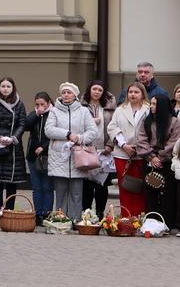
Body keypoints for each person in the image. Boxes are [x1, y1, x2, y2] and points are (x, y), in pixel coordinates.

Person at [43, 81, 98, 219]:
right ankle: (60, 219)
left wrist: (78, 138)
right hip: (59, 156)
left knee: (76, 192)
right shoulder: (54, 111)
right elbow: (48, 130)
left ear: (75, 95)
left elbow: (93, 131)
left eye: (69, 92)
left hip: (77, 156)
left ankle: (75, 219)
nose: (66, 95)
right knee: (60, 192)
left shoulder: (83, 111)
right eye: (64, 92)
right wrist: (67, 134)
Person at [134, 93, 180, 227]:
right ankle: (151, 222)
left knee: (168, 194)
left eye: (155, 104)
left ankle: (167, 223)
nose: (152, 106)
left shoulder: (174, 121)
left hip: (167, 163)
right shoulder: (146, 121)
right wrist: (152, 157)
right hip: (149, 161)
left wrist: (160, 157)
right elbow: (141, 140)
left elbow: (174, 142)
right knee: (150, 192)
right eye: (151, 103)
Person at [0, 77, 29, 212]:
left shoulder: (19, 104)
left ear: (13, 88)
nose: (5, 89)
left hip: (13, 147)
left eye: (8, 86)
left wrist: (14, 138)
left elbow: (22, 123)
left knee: (11, 182)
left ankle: (9, 211)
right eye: (3, 86)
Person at [108, 81, 149, 219]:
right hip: (122, 154)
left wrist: (141, 147)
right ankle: (126, 216)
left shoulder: (148, 109)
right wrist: (124, 145)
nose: (132, 94)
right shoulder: (120, 109)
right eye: (130, 92)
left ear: (142, 94)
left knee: (140, 186)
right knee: (124, 186)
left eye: (136, 92)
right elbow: (112, 128)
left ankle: (139, 217)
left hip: (142, 154)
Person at [82, 80, 115, 213]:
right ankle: (87, 214)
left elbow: (114, 127)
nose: (97, 92)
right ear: (89, 90)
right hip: (86, 150)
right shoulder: (81, 108)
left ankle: (100, 213)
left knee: (102, 186)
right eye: (94, 89)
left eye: (100, 90)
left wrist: (110, 146)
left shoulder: (109, 109)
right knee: (87, 186)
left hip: (104, 152)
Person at [24, 92, 55, 222]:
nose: (40, 107)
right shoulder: (34, 114)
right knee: (37, 186)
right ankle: (38, 214)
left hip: (48, 155)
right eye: (37, 104)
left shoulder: (54, 114)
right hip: (33, 156)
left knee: (47, 187)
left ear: (48, 103)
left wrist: (44, 147)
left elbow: (54, 135)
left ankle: (47, 213)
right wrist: (37, 114)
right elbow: (25, 126)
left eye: (42, 104)